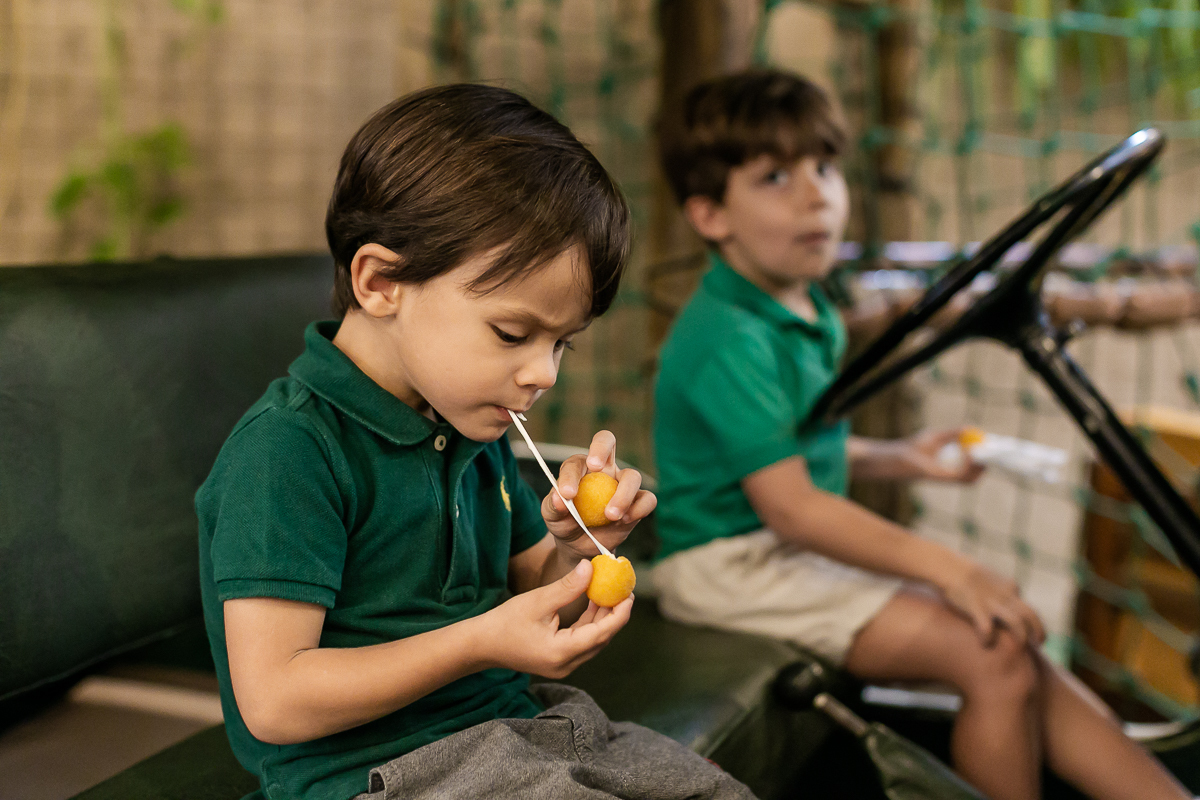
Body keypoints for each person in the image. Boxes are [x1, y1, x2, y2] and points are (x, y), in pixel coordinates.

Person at [196, 83, 754, 800]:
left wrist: (578, 550)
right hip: (376, 776)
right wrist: (480, 641)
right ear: (381, 281)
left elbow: (539, 598)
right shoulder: (289, 453)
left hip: (516, 734)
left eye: (563, 345)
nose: (541, 374)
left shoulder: (467, 420)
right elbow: (274, 701)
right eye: (512, 334)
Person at [652, 68, 1191, 800]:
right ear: (711, 214)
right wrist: (951, 569)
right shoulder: (730, 338)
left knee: (1016, 639)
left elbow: (792, 450)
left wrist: (902, 459)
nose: (818, 194)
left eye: (825, 167)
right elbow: (792, 505)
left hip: (781, 546)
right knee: (991, 650)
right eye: (777, 176)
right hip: (732, 566)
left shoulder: (806, 305)